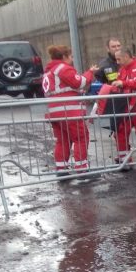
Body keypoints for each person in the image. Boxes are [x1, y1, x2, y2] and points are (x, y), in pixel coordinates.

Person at [42, 45, 98, 176]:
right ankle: (82, 168)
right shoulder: (62, 68)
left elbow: (64, 88)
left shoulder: (49, 72)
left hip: (55, 112)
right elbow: (79, 82)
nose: (72, 60)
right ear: (64, 57)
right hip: (69, 111)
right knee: (81, 137)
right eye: (71, 56)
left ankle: (61, 169)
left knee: (62, 140)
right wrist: (90, 72)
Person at [94, 37, 128, 133]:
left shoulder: (127, 60)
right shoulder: (104, 65)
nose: (117, 48)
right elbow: (99, 80)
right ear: (108, 49)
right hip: (115, 102)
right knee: (119, 130)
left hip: (129, 99)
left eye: (118, 46)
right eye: (113, 46)